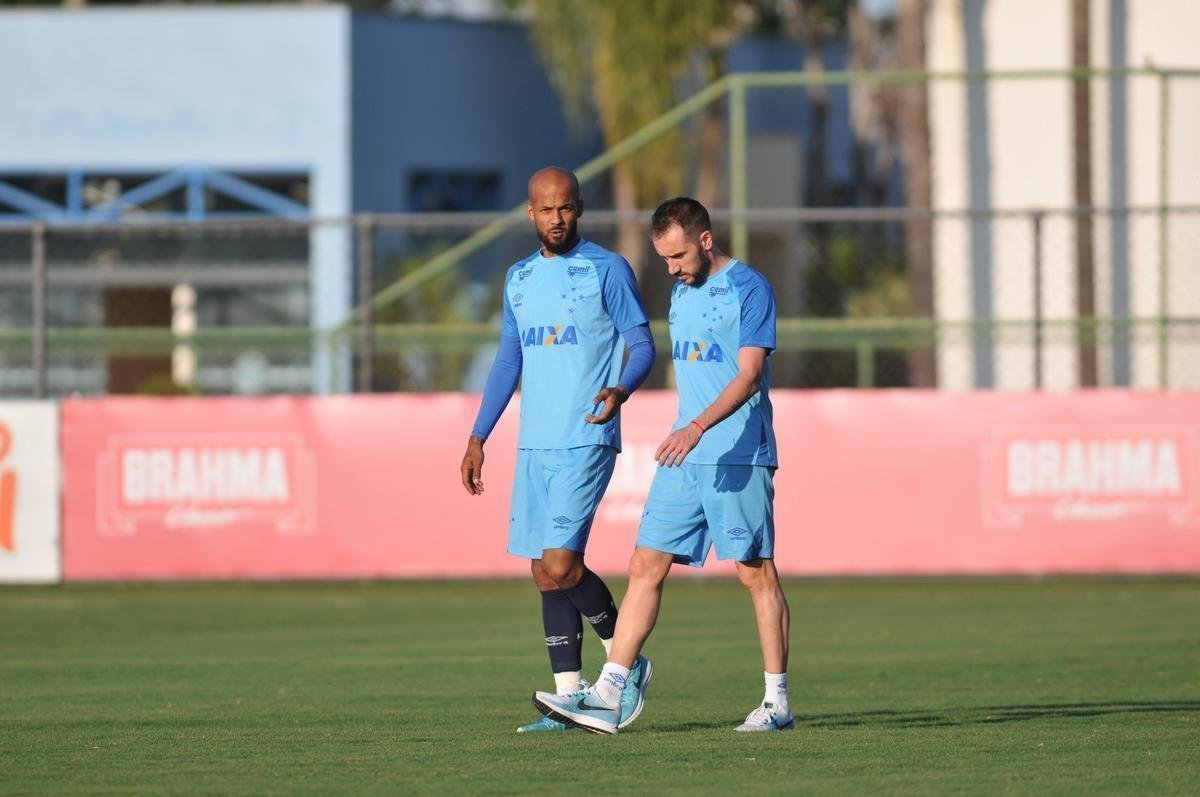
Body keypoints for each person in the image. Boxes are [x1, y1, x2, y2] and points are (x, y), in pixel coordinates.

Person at [533, 196, 792, 734]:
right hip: (685, 455)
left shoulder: (750, 288)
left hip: (736, 453)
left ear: (705, 240)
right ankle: (611, 690)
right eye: (664, 259)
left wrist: (696, 427)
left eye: (677, 256)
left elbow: (748, 376)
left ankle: (776, 702)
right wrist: (684, 431)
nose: (671, 269)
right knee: (644, 565)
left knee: (755, 573)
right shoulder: (681, 291)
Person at [461, 166, 656, 733]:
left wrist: (621, 389)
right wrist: (478, 436)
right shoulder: (519, 278)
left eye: (565, 207)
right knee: (544, 574)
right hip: (534, 443)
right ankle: (569, 701)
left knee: (560, 563)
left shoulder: (607, 269)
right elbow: (508, 360)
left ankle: (627, 660)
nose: (556, 218)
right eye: (545, 209)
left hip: (586, 435)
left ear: (580, 208)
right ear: (530, 213)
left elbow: (642, 343)